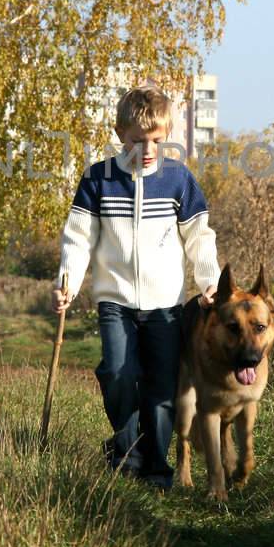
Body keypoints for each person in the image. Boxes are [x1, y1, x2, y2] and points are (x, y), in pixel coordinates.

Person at [52, 85, 219, 488]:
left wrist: (209, 280)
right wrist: (68, 282)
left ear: (168, 136)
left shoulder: (178, 180)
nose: (147, 149)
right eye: (137, 140)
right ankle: (128, 452)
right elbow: (78, 237)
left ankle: (156, 470)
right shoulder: (98, 180)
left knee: (161, 388)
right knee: (118, 372)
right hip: (115, 299)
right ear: (119, 133)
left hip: (165, 305)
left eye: (157, 140)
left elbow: (200, 235)